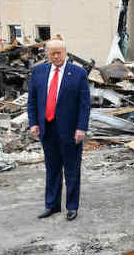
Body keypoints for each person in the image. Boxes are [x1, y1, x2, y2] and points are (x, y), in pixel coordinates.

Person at [27, 39, 91, 221]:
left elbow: (84, 104)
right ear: (47, 54)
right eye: (52, 53)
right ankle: (52, 205)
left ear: (65, 53)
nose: (56, 56)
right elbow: (32, 100)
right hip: (47, 128)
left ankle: (72, 207)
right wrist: (33, 123)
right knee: (52, 169)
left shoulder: (78, 73)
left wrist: (81, 128)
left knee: (72, 170)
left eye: (59, 53)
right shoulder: (38, 71)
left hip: (70, 131)